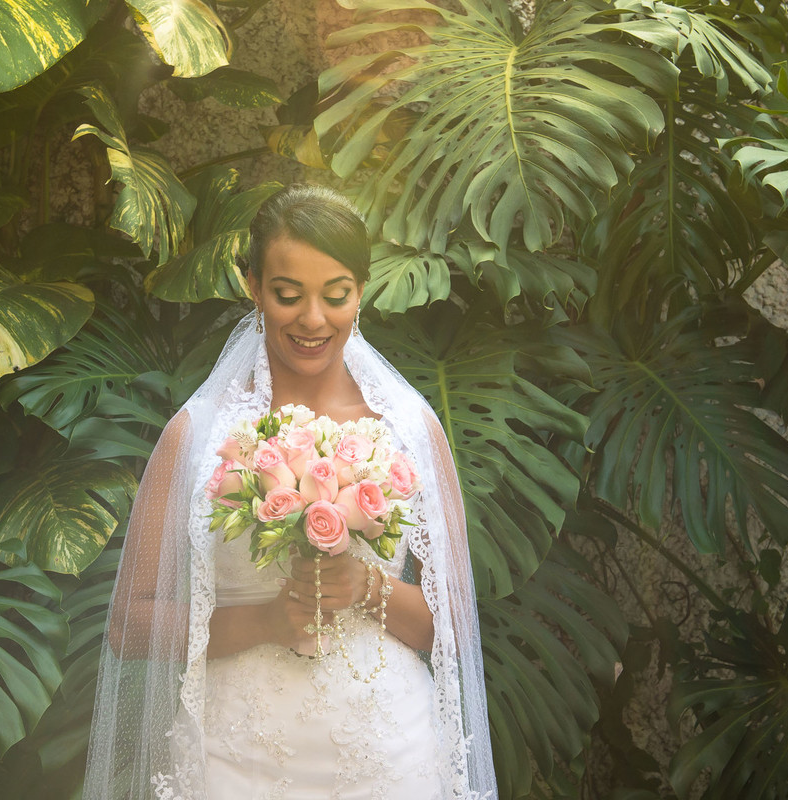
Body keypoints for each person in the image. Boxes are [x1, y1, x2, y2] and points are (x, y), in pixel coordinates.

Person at [82, 184, 497, 799]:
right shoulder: (198, 437)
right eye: (287, 294)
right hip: (238, 757)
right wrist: (264, 622)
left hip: (387, 756)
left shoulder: (410, 431)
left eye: (336, 296)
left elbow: (456, 627)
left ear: (361, 289)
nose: (313, 319)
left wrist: (370, 587)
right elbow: (130, 625)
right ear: (252, 285)